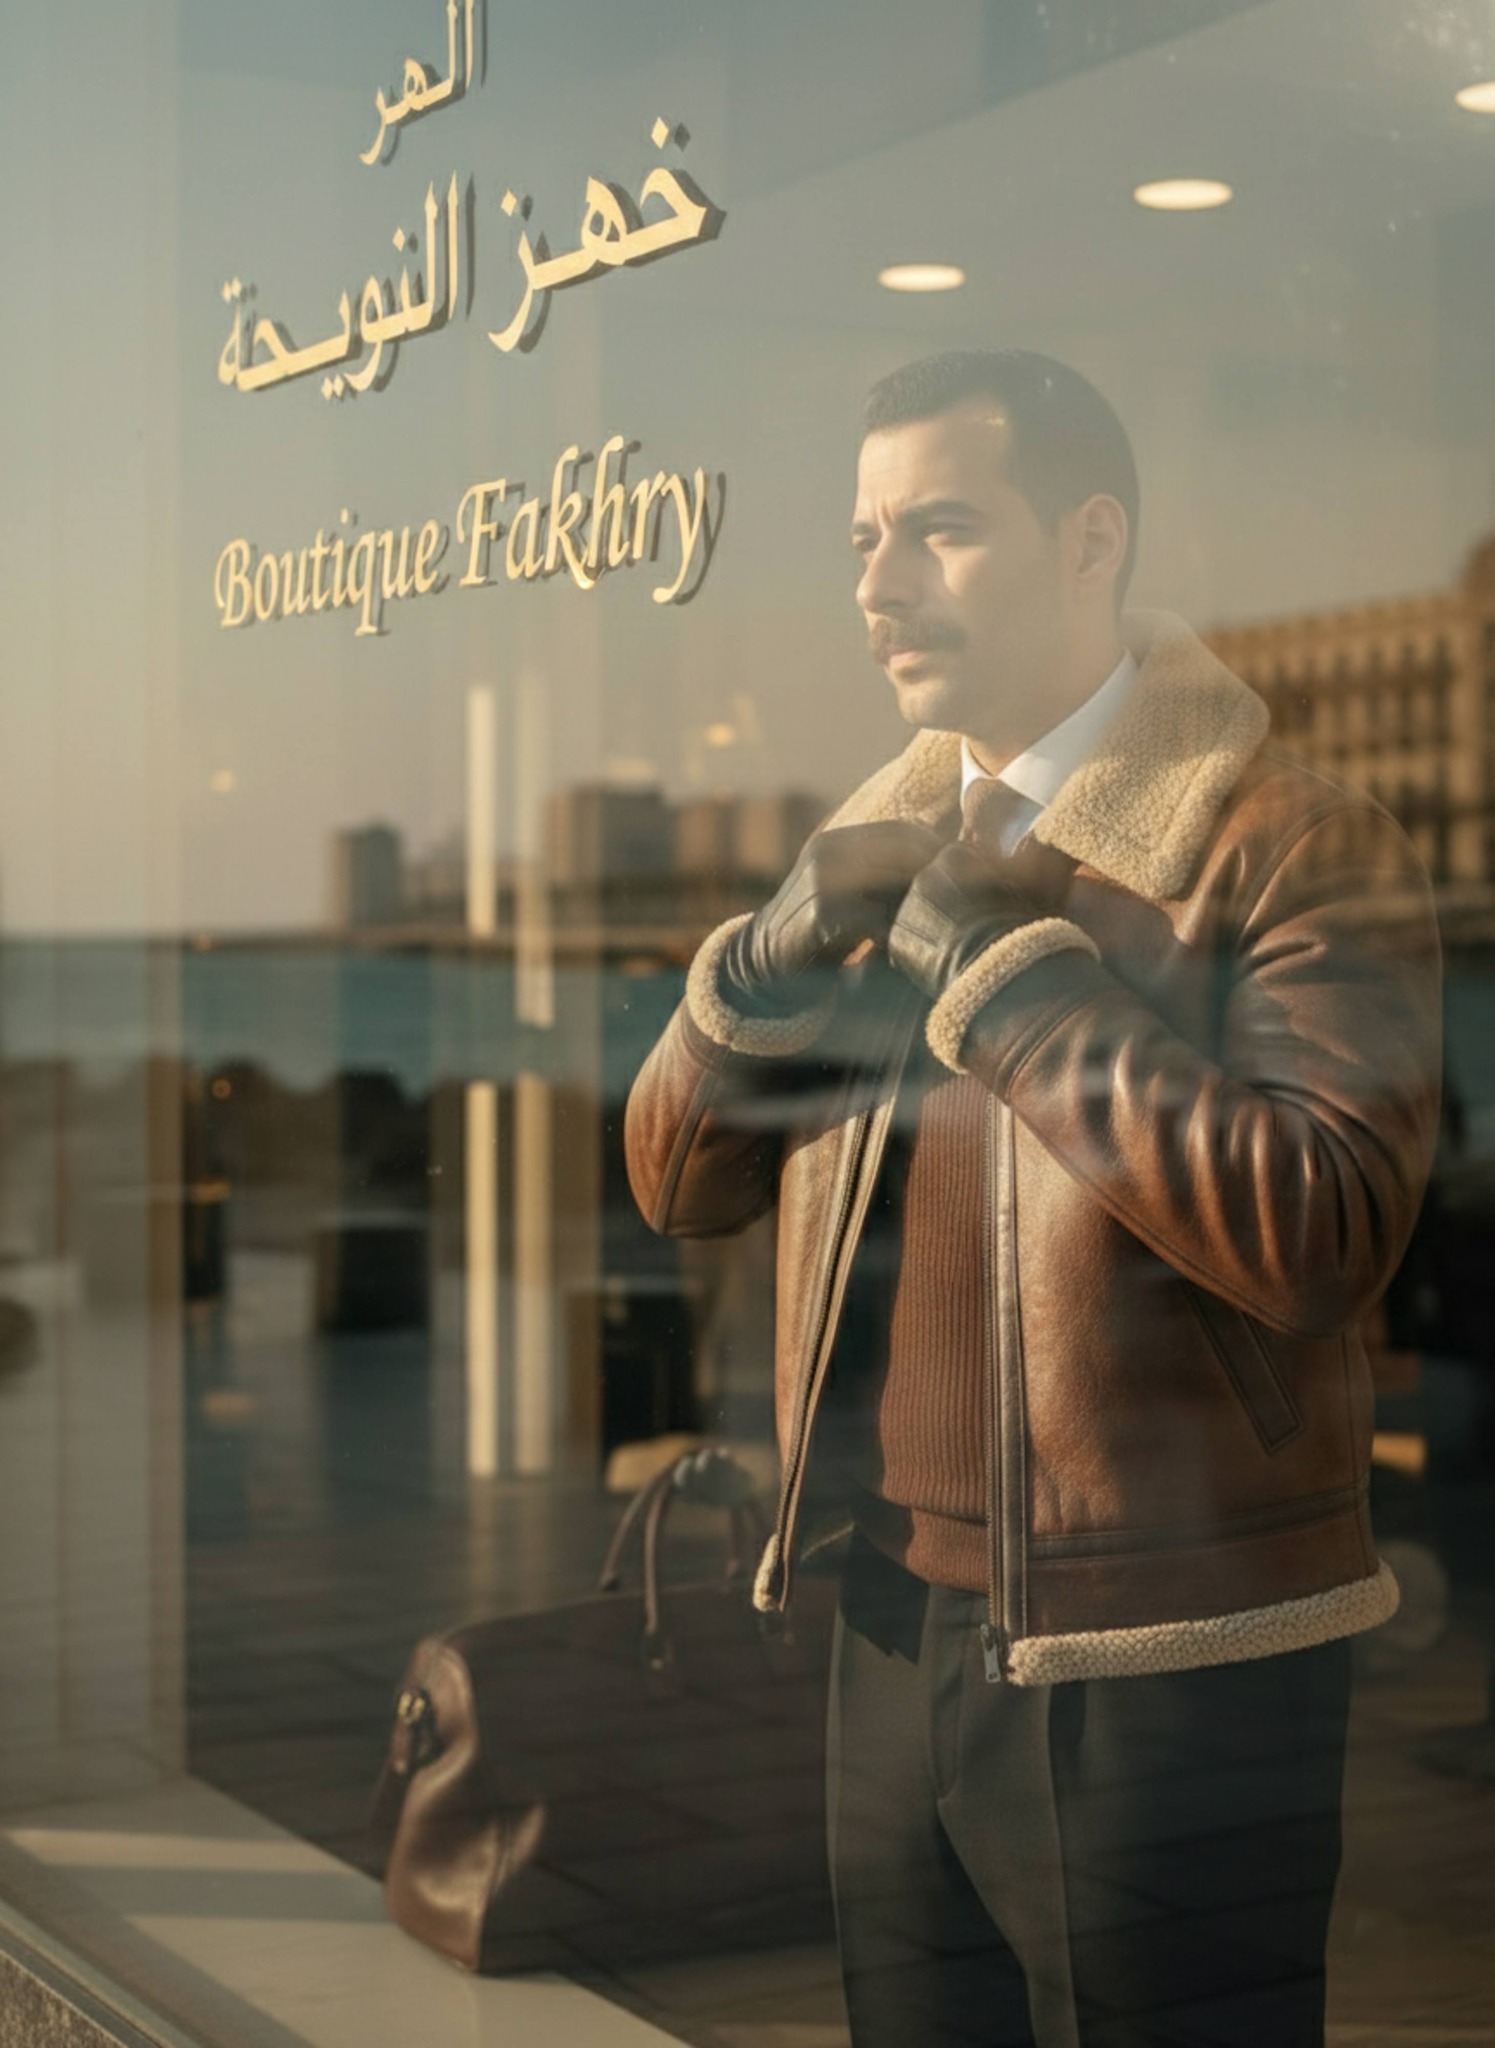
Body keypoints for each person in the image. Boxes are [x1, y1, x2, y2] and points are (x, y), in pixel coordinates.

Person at [624, 350, 1442, 2047]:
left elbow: (1324, 1230)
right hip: (888, 1616)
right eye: (860, 540)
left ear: (1090, 541)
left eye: (938, 529)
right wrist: (756, 975)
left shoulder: (1287, 841)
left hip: (1170, 1651)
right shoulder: (883, 837)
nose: (879, 584)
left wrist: (1015, 990)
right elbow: (671, 1183)